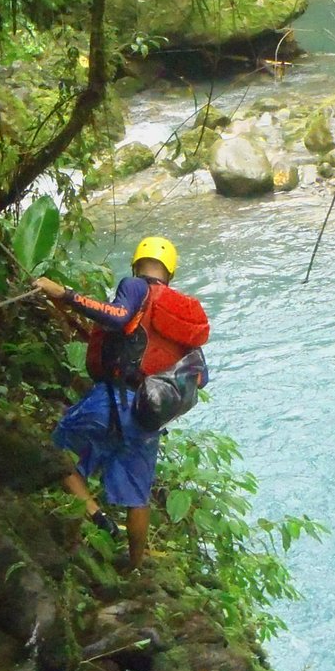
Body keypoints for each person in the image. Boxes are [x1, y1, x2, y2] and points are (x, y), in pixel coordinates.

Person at [34, 236, 205, 569]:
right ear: (171, 270)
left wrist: (65, 295)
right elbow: (199, 375)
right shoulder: (181, 312)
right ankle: (135, 568)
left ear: (137, 263)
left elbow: (117, 315)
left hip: (111, 399)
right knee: (138, 496)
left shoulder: (135, 287)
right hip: (148, 416)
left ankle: (96, 516)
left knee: (57, 453)